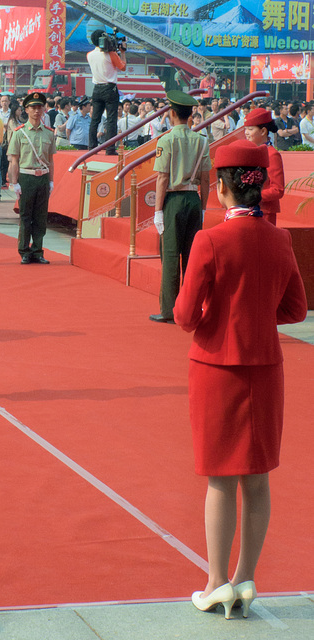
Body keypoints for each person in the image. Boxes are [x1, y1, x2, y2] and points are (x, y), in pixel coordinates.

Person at [173, 139, 307, 619]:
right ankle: (246, 577)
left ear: (221, 185)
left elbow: (185, 315)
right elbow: (294, 307)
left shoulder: (209, 240)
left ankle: (215, 582)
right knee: (257, 478)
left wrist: (219, 315)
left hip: (216, 368)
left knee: (220, 480)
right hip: (266, 368)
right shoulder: (280, 239)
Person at [150, 90, 211, 324]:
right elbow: (205, 179)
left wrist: (157, 211)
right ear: (190, 115)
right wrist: (203, 207)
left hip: (173, 201)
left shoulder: (166, 140)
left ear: (172, 113)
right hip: (194, 199)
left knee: (171, 255)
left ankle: (169, 309)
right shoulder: (201, 141)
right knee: (191, 257)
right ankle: (191, 309)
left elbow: (162, 178)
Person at [8, 92, 56, 264]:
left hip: (42, 178)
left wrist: (50, 181)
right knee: (26, 216)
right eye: (33, 107)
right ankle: (24, 251)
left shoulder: (49, 133)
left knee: (41, 216)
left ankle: (38, 250)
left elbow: (50, 160)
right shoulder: (19, 133)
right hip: (26, 177)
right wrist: (15, 183)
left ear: (43, 109)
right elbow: (14, 159)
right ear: (26, 110)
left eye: (39, 107)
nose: (36, 111)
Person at [87, 29, 126, 155]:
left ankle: (92, 147)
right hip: (110, 88)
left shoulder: (89, 55)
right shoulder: (111, 54)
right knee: (111, 119)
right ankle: (110, 149)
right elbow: (122, 67)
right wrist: (122, 52)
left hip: (96, 88)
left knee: (95, 119)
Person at [244, 108, 284, 225]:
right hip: (246, 210)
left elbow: (278, 190)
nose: (246, 133)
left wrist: (252, 197)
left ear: (263, 131)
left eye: (250, 129)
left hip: (264, 213)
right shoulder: (248, 151)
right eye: (245, 129)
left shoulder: (272, 154)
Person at [0, 94, 11, 186]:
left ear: (9, 102)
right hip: (0, 139)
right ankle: (1, 179)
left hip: (9, 140)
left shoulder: (11, 112)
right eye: (2, 101)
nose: (4, 103)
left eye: (6, 101)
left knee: (7, 161)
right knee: (1, 160)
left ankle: (4, 178)